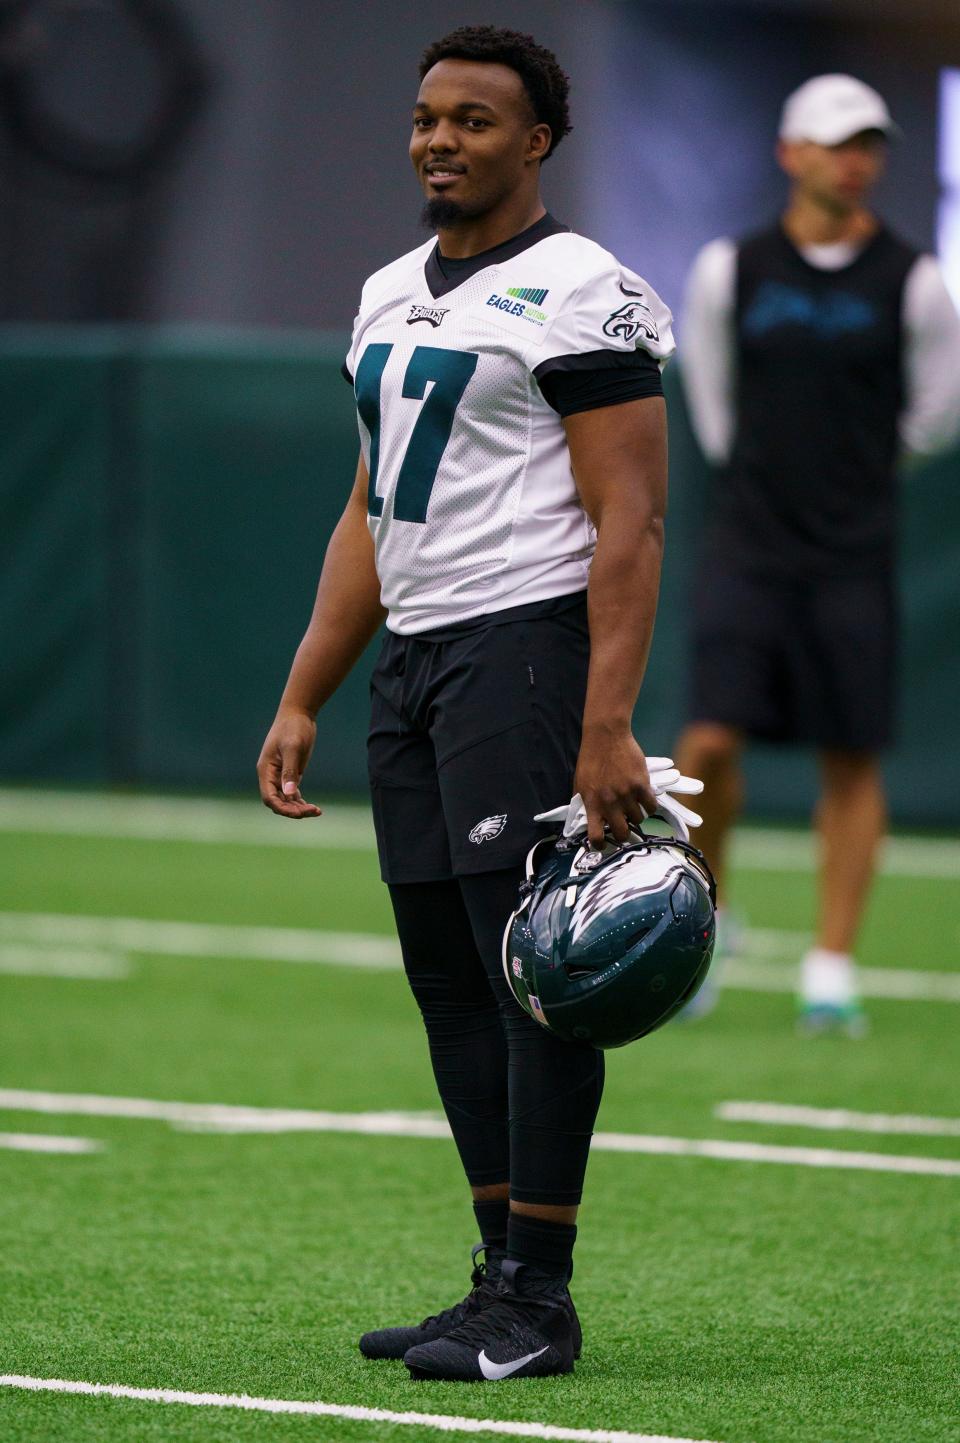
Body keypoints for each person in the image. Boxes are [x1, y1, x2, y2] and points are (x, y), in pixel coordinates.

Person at [257, 26, 678, 1381]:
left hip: (526, 646)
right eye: (429, 117)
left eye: (477, 121)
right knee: (449, 979)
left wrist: (606, 721)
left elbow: (632, 518)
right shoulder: (388, 289)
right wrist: (306, 684)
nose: (442, 139)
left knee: (534, 980)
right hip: (419, 656)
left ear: (536, 140)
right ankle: (496, 1274)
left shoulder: (585, 289)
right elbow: (373, 506)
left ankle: (540, 1298)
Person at [676, 74, 960, 1033]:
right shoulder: (731, 269)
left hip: (854, 555)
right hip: (749, 548)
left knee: (852, 756)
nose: (859, 160)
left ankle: (831, 962)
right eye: (839, 142)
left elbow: (933, 411)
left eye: (870, 144)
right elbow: (712, 406)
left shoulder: (914, 280)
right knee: (709, 741)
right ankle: (703, 921)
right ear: (791, 153)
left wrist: (852, 477)